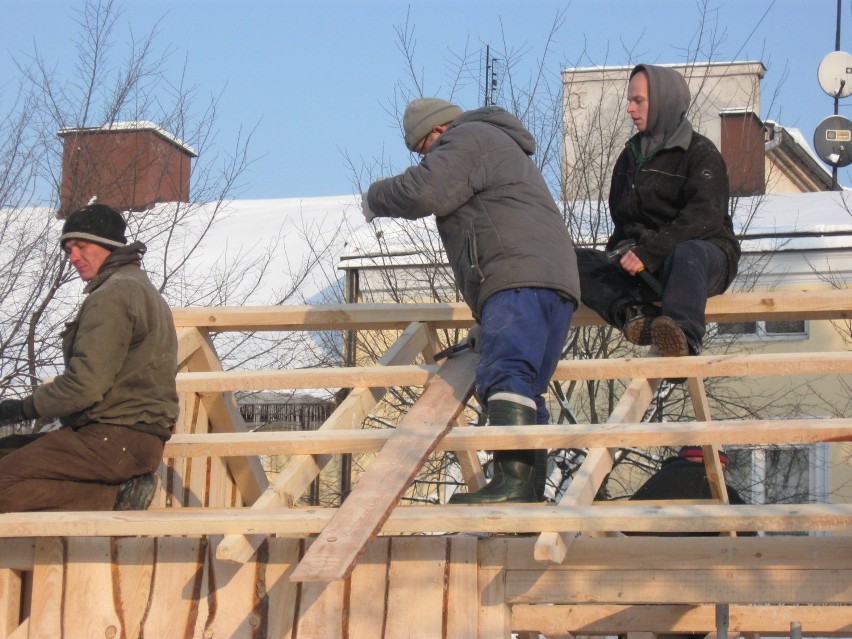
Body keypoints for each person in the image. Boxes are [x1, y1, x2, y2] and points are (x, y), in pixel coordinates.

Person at [362, 98, 581, 503]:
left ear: (439, 130)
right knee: (526, 388)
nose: (426, 158)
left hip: (517, 279)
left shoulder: (468, 137)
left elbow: (426, 190)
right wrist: (488, 321)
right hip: (551, 284)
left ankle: (514, 485)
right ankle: (529, 493)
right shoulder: (497, 146)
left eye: (424, 148)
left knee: (507, 374)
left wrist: (376, 197)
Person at [0, 204, 179, 512]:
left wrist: (21, 409)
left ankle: (117, 497)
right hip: (126, 436)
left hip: (116, 436)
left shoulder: (112, 295)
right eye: (69, 249)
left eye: (82, 246)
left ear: (108, 245)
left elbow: (86, 385)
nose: (73, 257)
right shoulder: (137, 288)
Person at [575, 64, 740, 366]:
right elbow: (623, 223)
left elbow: (705, 217)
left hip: (701, 258)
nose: (629, 109)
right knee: (571, 259)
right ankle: (636, 315)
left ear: (663, 102)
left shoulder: (700, 153)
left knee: (687, 253)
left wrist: (650, 253)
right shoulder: (628, 158)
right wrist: (616, 257)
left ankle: (683, 340)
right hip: (644, 268)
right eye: (629, 100)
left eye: (638, 100)